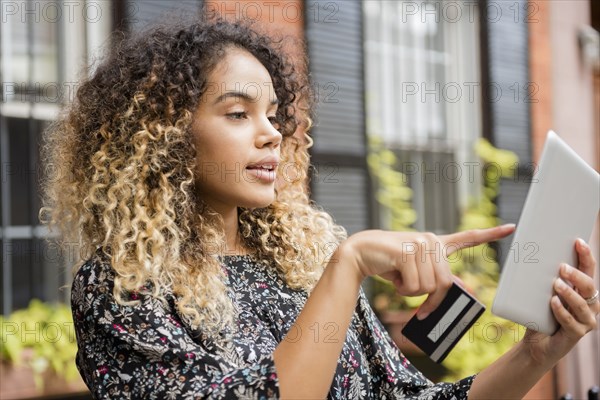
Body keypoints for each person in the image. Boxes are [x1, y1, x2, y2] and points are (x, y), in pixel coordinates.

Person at [39, 16, 599, 400]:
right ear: (162, 135)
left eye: (274, 115)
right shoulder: (121, 288)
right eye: (238, 114)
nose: (272, 135)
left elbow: (412, 396)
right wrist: (349, 264)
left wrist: (537, 353)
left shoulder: (303, 263)